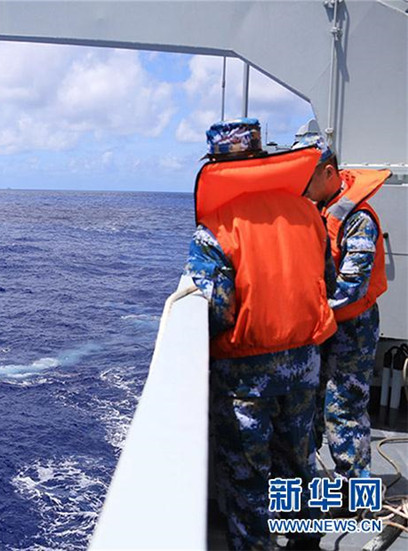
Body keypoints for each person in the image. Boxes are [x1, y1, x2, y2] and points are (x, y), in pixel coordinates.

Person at [184, 119, 337, 550]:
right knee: (298, 462)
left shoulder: (216, 227)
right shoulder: (308, 213)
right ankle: (307, 543)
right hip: (304, 364)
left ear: (215, 165)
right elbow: (325, 281)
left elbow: (217, 310)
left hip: (245, 376)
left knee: (249, 478)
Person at [293, 122, 390, 483]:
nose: (301, 186)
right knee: (311, 404)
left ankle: (356, 492)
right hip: (322, 324)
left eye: (307, 176)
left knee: (344, 408)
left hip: (352, 329)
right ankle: (309, 483)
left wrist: (303, 310)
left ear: (328, 172)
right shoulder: (318, 207)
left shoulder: (358, 220)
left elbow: (351, 286)